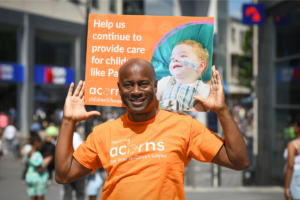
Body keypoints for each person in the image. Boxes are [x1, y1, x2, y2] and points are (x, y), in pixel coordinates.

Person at [55, 58, 249, 200]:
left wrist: (222, 110)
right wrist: (68, 121)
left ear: (155, 86)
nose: (136, 91)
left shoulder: (184, 126)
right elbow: (64, 175)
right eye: (128, 85)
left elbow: (239, 161)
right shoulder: (103, 133)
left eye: (143, 84)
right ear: (119, 89)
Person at [156, 40, 210, 111]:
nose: (175, 59)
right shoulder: (165, 81)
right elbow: (153, 102)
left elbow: (202, 109)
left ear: (200, 66)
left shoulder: (202, 88)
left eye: (183, 55)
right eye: (172, 58)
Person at [26, 135, 52, 200]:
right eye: (41, 143)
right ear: (36, 142)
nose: (41, 145)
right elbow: (39, 169)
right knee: (40, 197)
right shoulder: (36, 154)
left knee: (32, 196)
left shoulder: (29, 152)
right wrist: (47, 162)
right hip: (39, 179)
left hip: (31, 177)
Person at [284, 117, 300, 200]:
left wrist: (286, 187)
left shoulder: (293, 145)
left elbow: (290, 166)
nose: (293, 127)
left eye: (295, 125)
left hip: (296, 178)